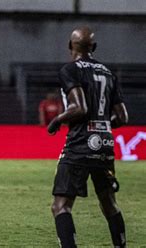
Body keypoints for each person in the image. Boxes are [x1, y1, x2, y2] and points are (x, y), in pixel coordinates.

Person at [47, 27, 128, 248]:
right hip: (105, 144)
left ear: (69, 46)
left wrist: (57, 120)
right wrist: (100, 126)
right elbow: (122, 117)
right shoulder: (109, 73)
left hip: (80, 144)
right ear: (93, 47)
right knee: (109, 203)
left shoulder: (69, 70)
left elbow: (79, 108)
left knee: (60, 206)